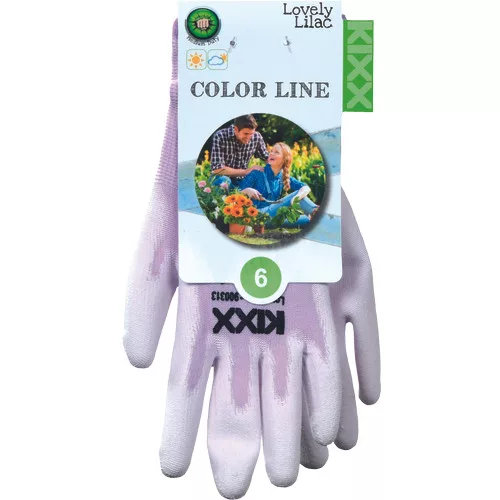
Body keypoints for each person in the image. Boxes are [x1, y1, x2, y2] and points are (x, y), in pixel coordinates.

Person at [239, 142, 319, 228]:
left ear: (284, 159)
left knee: (310, 220)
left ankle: (318, 216)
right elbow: (236, 195)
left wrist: (297, 197)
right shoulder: (256, 173)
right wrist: (246, 191)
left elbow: (306, 187)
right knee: (299, 194)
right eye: (271, 151)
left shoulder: (284, 177)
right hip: (256, 216)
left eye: (276, 152)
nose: (271, 154)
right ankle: (317, 212)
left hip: (271, 219)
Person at [211, 115, 269, 190]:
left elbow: (267, 158)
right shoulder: (220, 136)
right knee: (224, 181)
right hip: (222, 178)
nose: (249, 137)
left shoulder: (256, 137)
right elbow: (217, 169)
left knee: (261, 183)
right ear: (236, 129)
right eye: (246, 134)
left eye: (251, 134)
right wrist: (246, 171)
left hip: (242, 181)